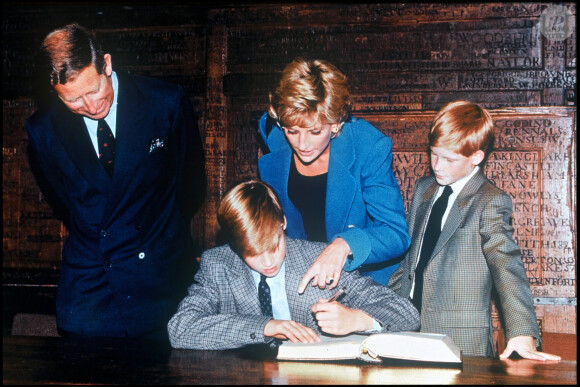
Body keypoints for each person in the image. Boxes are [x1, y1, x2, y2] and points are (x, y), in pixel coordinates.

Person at [25, 23, 206, 340]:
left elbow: (191, 185)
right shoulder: (43, 130)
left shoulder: (165, 102)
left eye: (93, 89)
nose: (91, 106)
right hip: (92, 288)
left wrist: (156, 236)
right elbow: (65, 202)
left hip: (160, 278)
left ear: (106, 64)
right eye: (73, 101)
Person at [388, 100, 561, 361]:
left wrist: (522, 331)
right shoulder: (424, 188)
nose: (437, 165)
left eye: (449, 159)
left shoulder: (489, 200)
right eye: (434, 153)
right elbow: (411, 260)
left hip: (461, 341)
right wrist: (383, 308)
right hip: (406, 330)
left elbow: (506, 264)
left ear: (476, 157)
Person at [167, 180, 419, 350]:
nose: (267, 262)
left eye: (273, 246)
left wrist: (358, 320)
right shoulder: (218, 264)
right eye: (252, 253)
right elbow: (180, 328)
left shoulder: (320, 259)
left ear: (283, 223)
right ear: (234, 245)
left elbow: (407, 314)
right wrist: (266, 326)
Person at [257, 58, 410, 293]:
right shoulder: (275, 136)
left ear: (337, 122)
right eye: (292, 130)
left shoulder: (367, 147)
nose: (302, 143)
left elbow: (395, 233)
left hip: (366, 282)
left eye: (316, 131)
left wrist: (345, 244)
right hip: (302, 281)